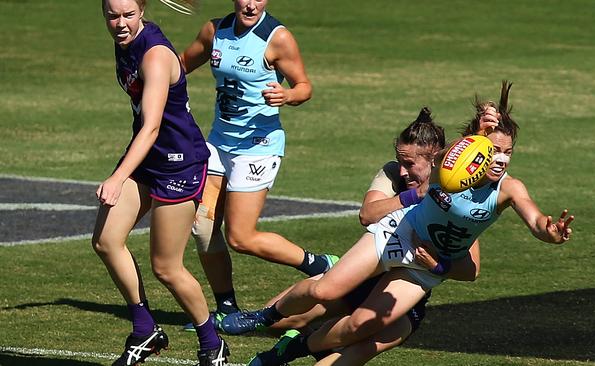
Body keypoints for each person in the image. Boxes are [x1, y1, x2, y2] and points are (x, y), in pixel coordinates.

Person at [220, 81, 575, 365]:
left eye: (508, 152)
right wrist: (479, 131)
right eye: (494, 150)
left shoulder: (508, 189)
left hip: (423, 269)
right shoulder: (449, 167)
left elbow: (534, 218)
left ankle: (289, 352)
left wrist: (550, 232)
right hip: (400, 233)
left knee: (360, 326)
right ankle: (263, 316)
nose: (500, 159)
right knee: (323, 290)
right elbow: (447, 160)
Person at [246, 107, 483, 365]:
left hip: (402, 293)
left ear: (435, 160)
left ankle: (303, 344)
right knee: (277, 323)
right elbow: (368, 215)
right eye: (400, 161)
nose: (403, 171)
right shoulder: (394, 173)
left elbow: (470, 270)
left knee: (359, 344)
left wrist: (437, 265)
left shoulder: (458, 199)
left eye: (410, 164)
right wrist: (416, 194)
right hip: (362, 277)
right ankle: (307, 325)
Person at [178, 0, 338, 331]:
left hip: (258, 149)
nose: (251, 4)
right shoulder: (214, 30)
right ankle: (225, 309)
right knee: (203, 228)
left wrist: (287, 96)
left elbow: (304, 86)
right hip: (218, 143)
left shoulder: (276, 38)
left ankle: (320, 263)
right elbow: (179, 65)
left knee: (240, 237)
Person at [93, 1, 228, 365]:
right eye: (112, 16)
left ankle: (212, 342)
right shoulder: (125, 43)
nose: (120, 24)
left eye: (128, 16)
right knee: (106, 241)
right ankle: (144, 330)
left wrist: (118, 177)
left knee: (166, 267)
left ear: (142, 11)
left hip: (178, 164)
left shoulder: (154, 55)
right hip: (147, 158)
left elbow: (152, 125)